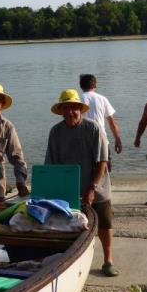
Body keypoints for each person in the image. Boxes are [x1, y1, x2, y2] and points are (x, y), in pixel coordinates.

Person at [45, 89, 118, 277]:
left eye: (74, 108)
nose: (70, 112)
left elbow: (102, 162)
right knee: (68, 225)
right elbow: (51, 164)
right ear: (61, 111)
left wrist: (92, 188)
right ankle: (69, 262)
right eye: (66, 108)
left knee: (104, 224)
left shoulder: (93, 128)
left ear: (80, 110)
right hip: (69, 188)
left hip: (97, 186)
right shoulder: (55, 132)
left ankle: (108, 259)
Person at [79, 74, 123, 161]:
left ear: (81, 86)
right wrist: (117, 139)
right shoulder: (102, 99)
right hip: (101, 139)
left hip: (82, 141)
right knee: (104, 166)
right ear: (95, 85)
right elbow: (112, 123)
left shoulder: (78, 100)